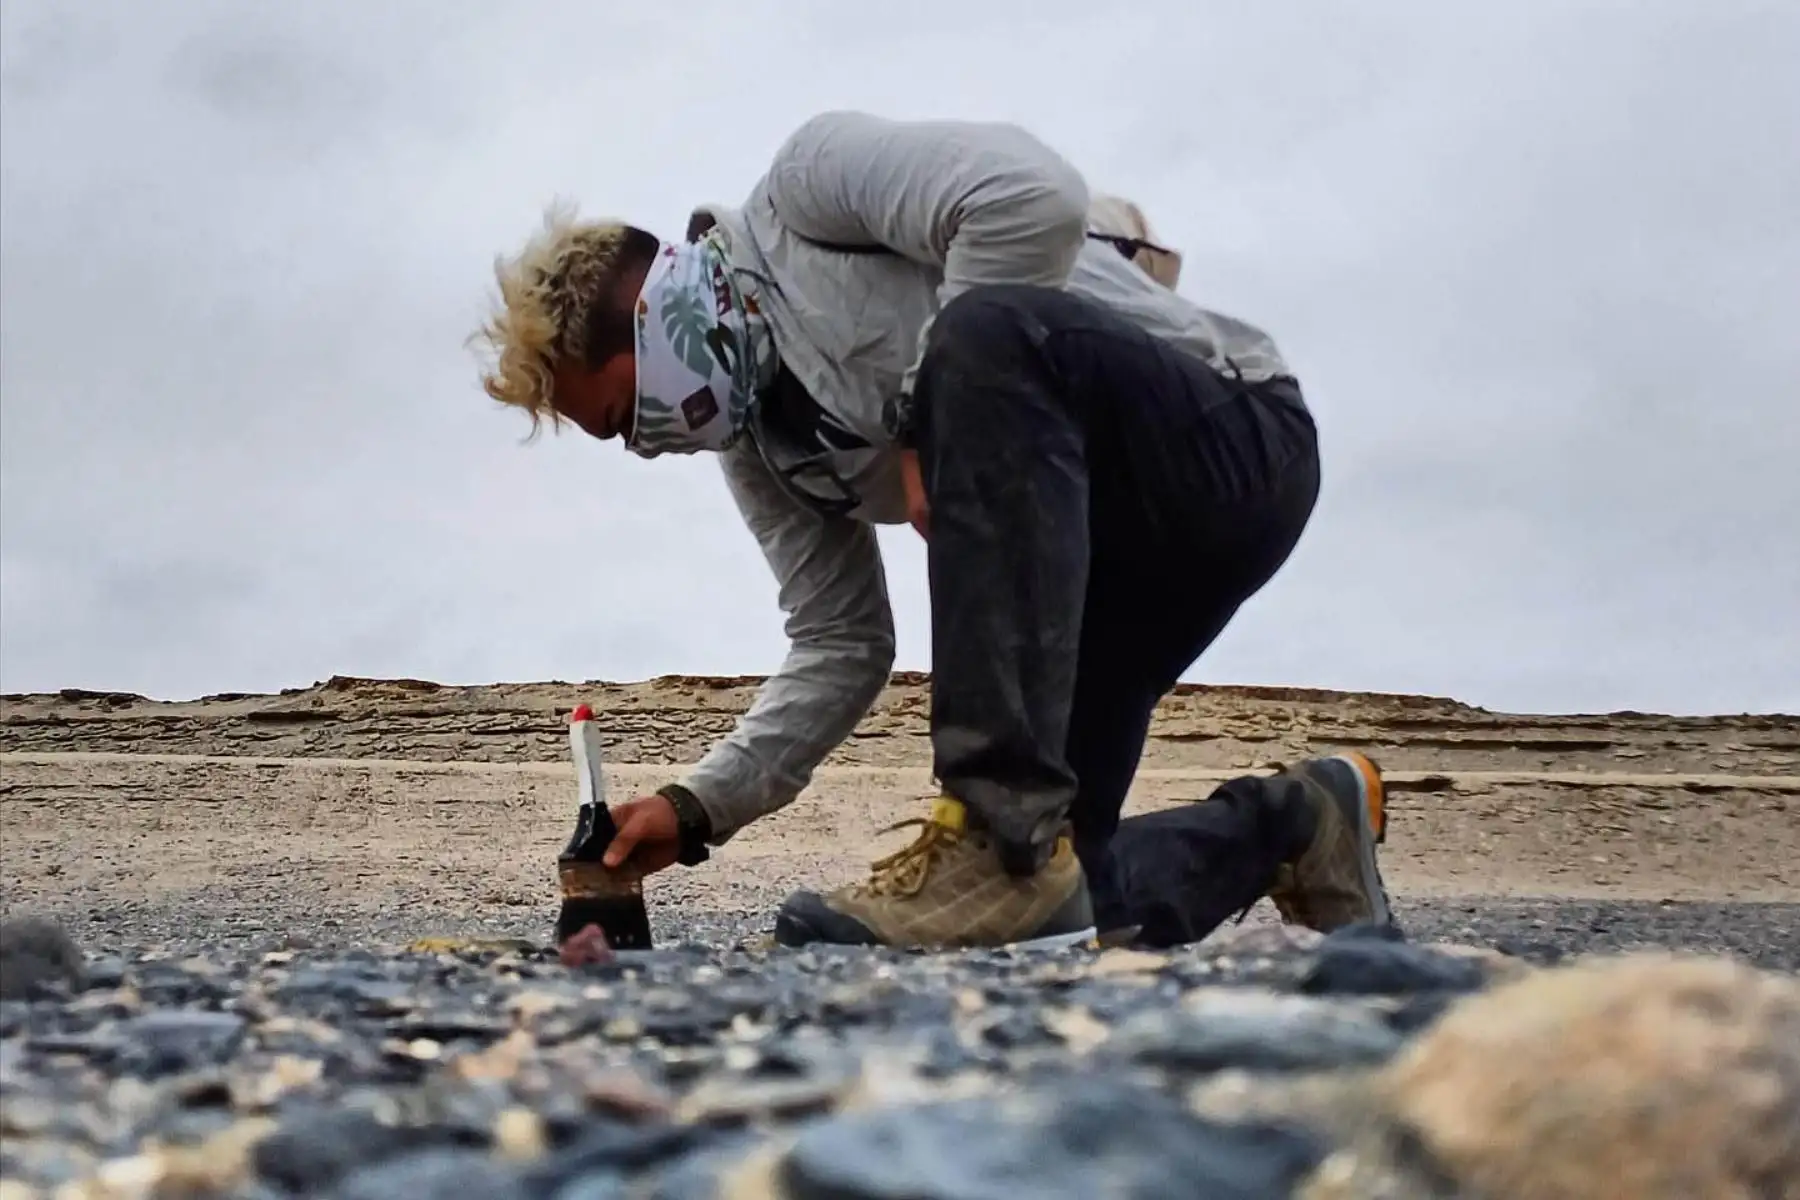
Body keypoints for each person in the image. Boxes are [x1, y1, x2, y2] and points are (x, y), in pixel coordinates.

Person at [471, 110, 1393, 951]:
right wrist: (697, 806)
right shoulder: (763, 446)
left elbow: (1036, 198)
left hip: (1231, 442)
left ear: (651, 316)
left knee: (980, 336)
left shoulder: (804, 192)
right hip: (1103, 570)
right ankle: (1299, 823)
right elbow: (840, 642)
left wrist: (921, 423)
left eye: (624, 414)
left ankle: (990, 829)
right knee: (1053, 905)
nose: (645, 447)